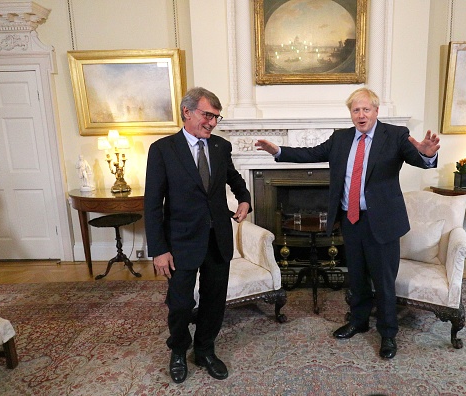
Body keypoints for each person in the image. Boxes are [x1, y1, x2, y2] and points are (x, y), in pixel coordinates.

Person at [255, 87, 440, 360]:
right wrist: (279, 150)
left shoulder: (396, 135)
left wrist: (426, 154)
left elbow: (419, 159)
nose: (361, 114)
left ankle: (388, 334)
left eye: (366, 109)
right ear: (350, 113)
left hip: (382, 221)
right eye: (356, 110)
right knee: (356, 276)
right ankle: (359, 320)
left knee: (384, 280)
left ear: (376, 111)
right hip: (351, 219)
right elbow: (310, 153)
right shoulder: (341, 138)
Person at [144, 87, 251, 384]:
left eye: (216, 117)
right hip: (180, 243)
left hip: (218, 239)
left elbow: (235, 179)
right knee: (179, 304)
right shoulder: (163, 150)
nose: (212, 123)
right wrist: (159, 249)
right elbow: (152, 204)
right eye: (207, 115)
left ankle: (205, 349)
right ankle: (178, 350)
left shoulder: (220, 147)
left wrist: (244, 199)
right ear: (187, 112)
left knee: (214, 300)